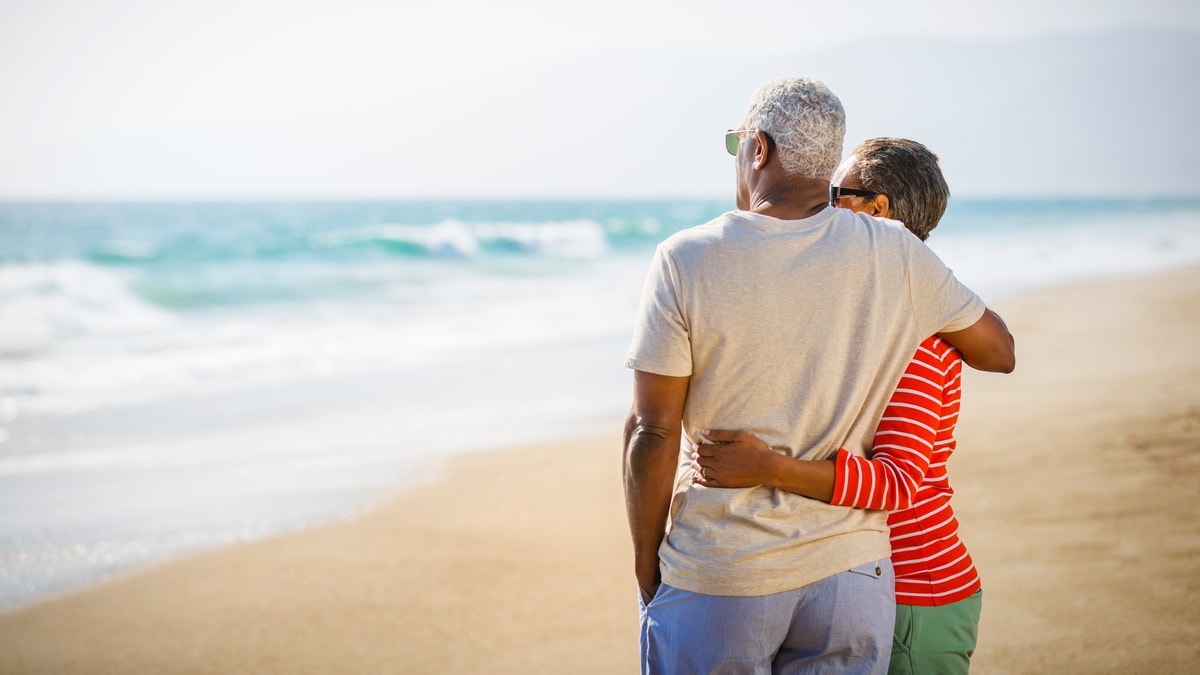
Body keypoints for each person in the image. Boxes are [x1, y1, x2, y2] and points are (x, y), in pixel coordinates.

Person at [623, 78, 1014, 674]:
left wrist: (647, 563)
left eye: (738, 145)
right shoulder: (896, 254)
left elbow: (652, 431)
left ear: (758, 149)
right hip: (854, 575)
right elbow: (998, 349)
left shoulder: (685, 257)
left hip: (728, 569)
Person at [693, 137, 989, 675]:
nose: (820, 203)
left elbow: (897, 484)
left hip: (914, 595)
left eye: (835, 192)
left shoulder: (918, 335)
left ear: (877, 211)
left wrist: (767, 468)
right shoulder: (863, 306)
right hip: (859, 582)